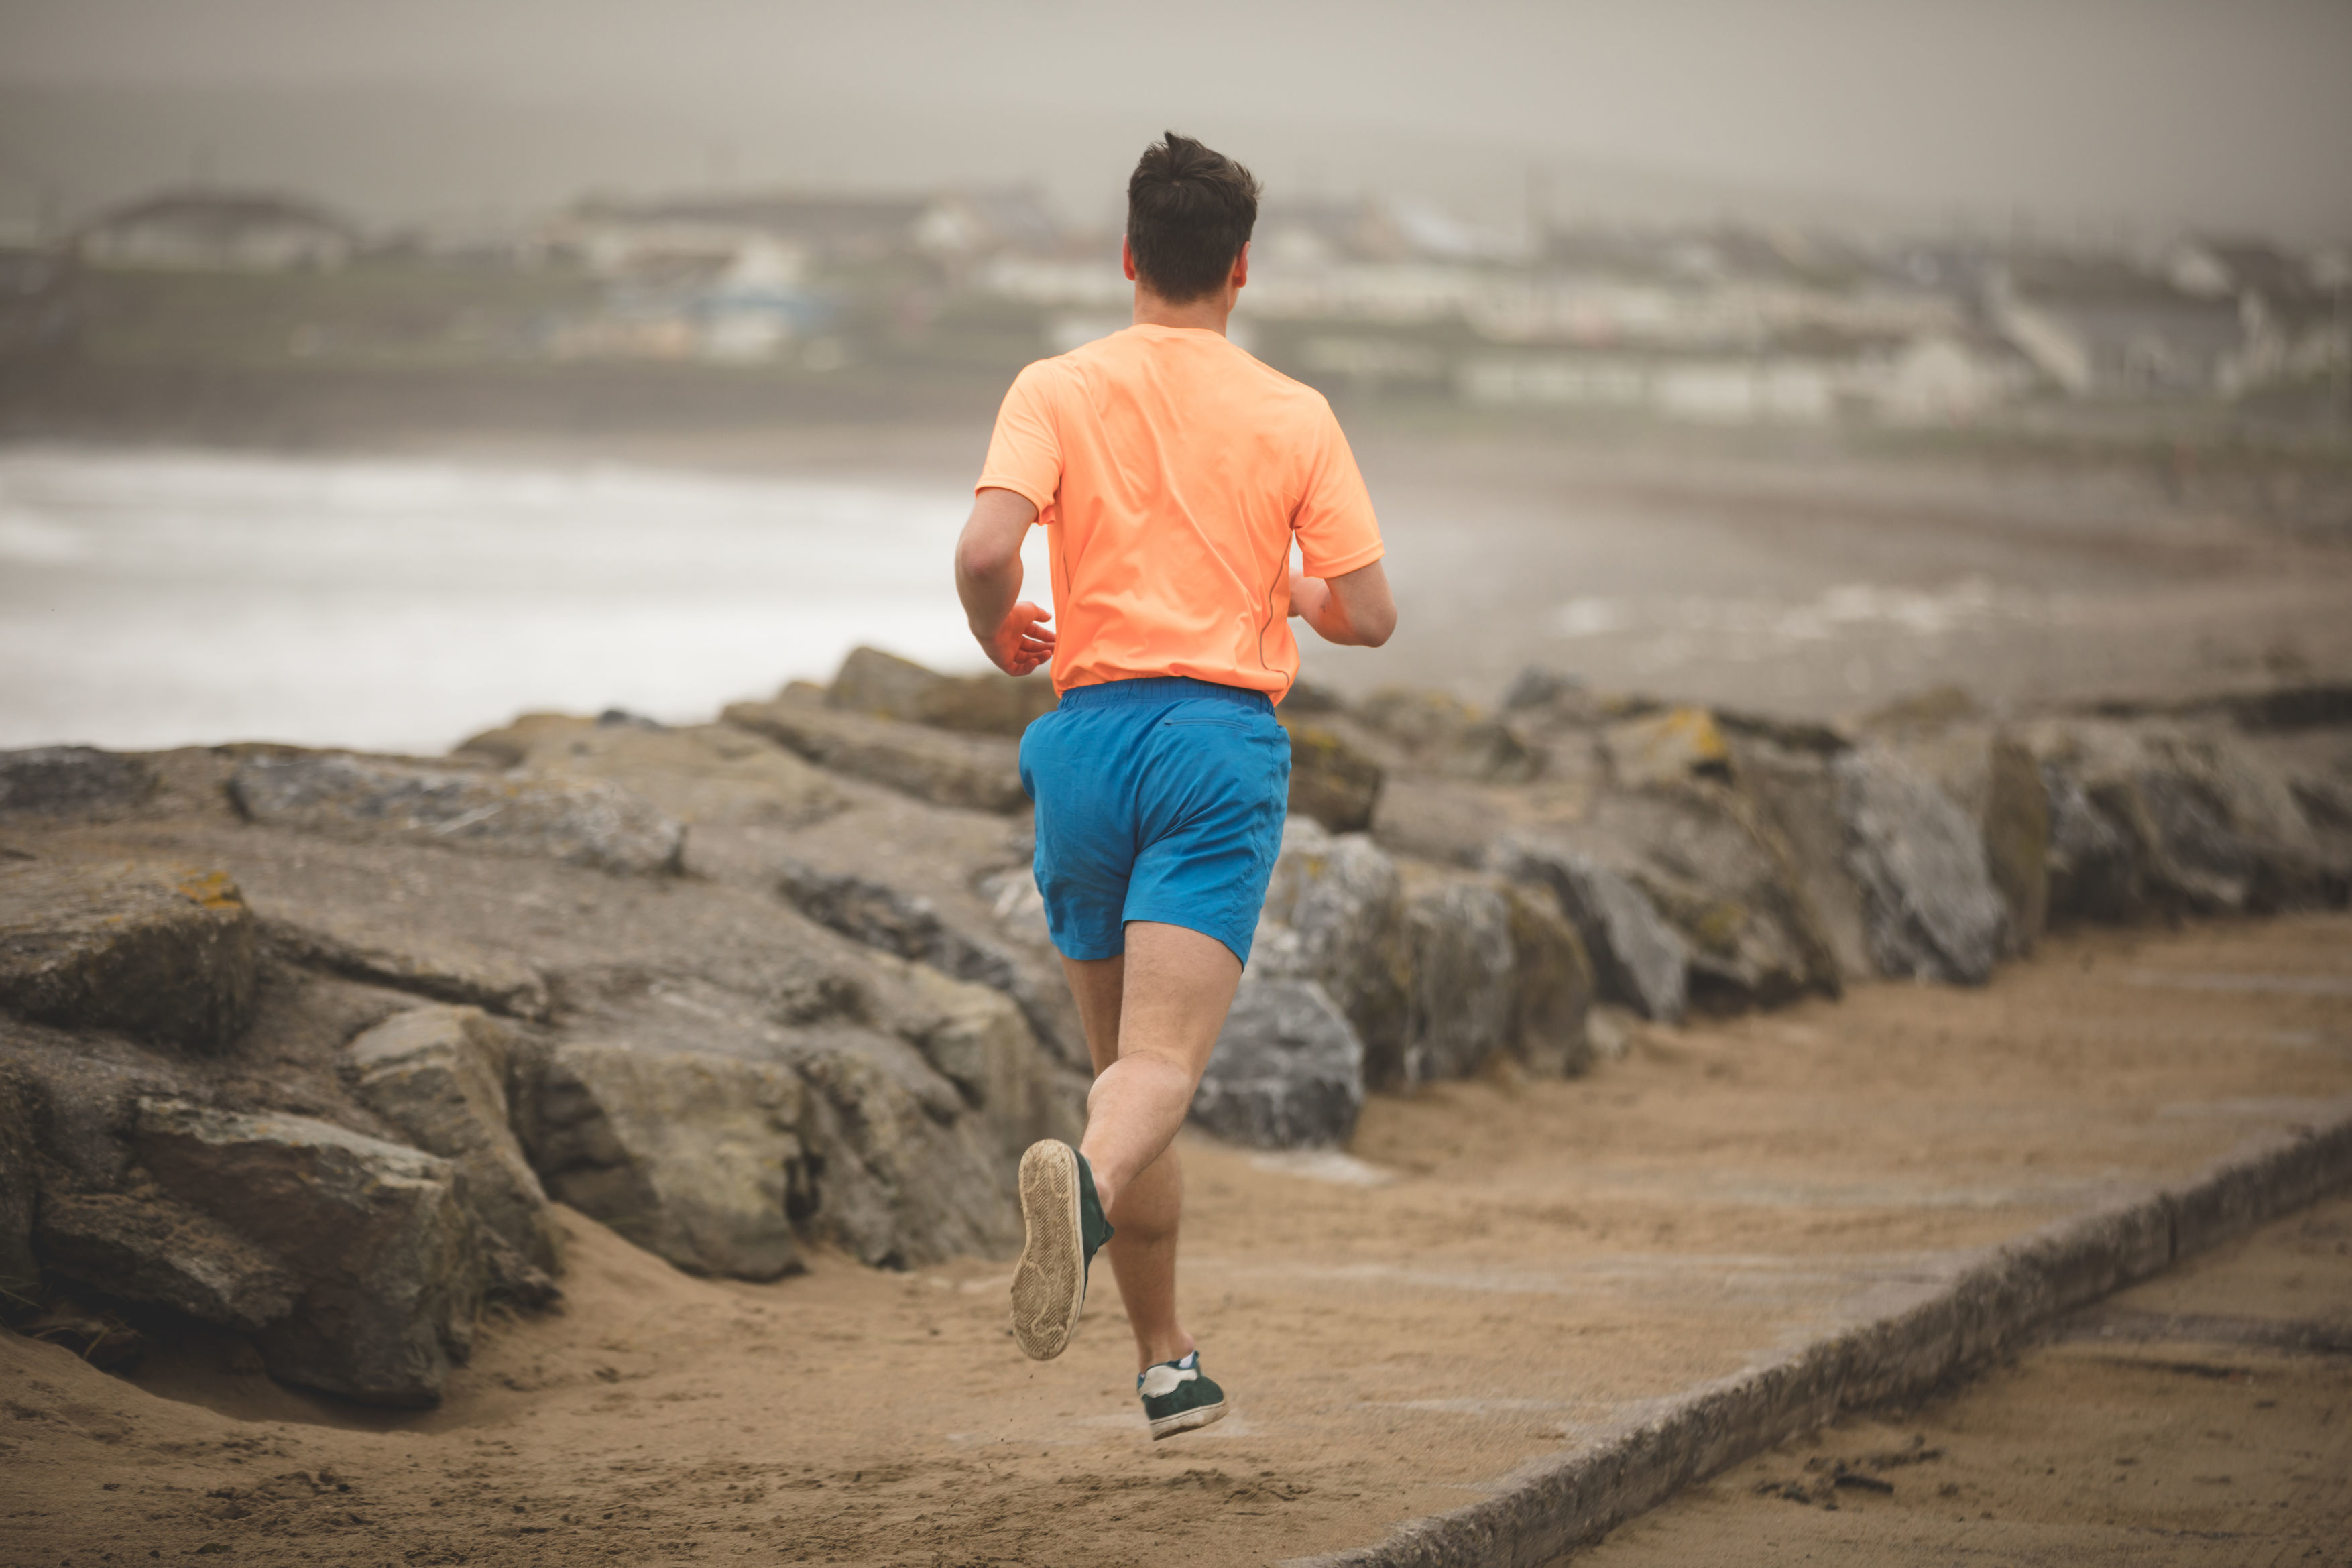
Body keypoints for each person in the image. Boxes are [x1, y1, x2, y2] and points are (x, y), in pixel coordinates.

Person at [953, 131, 1395, 1441]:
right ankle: (1081, 1199)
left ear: (1130, 256)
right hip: (1213, 747)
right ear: (1240, 270)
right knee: (1150, 1075)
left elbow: (986, 547)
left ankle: (1165, 1363)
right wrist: (1298, 592)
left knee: (1119, 1074)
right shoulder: (1292, 413)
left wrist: (998, 629)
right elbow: (1366, 613)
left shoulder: (1055, 385)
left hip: (1081, 742)